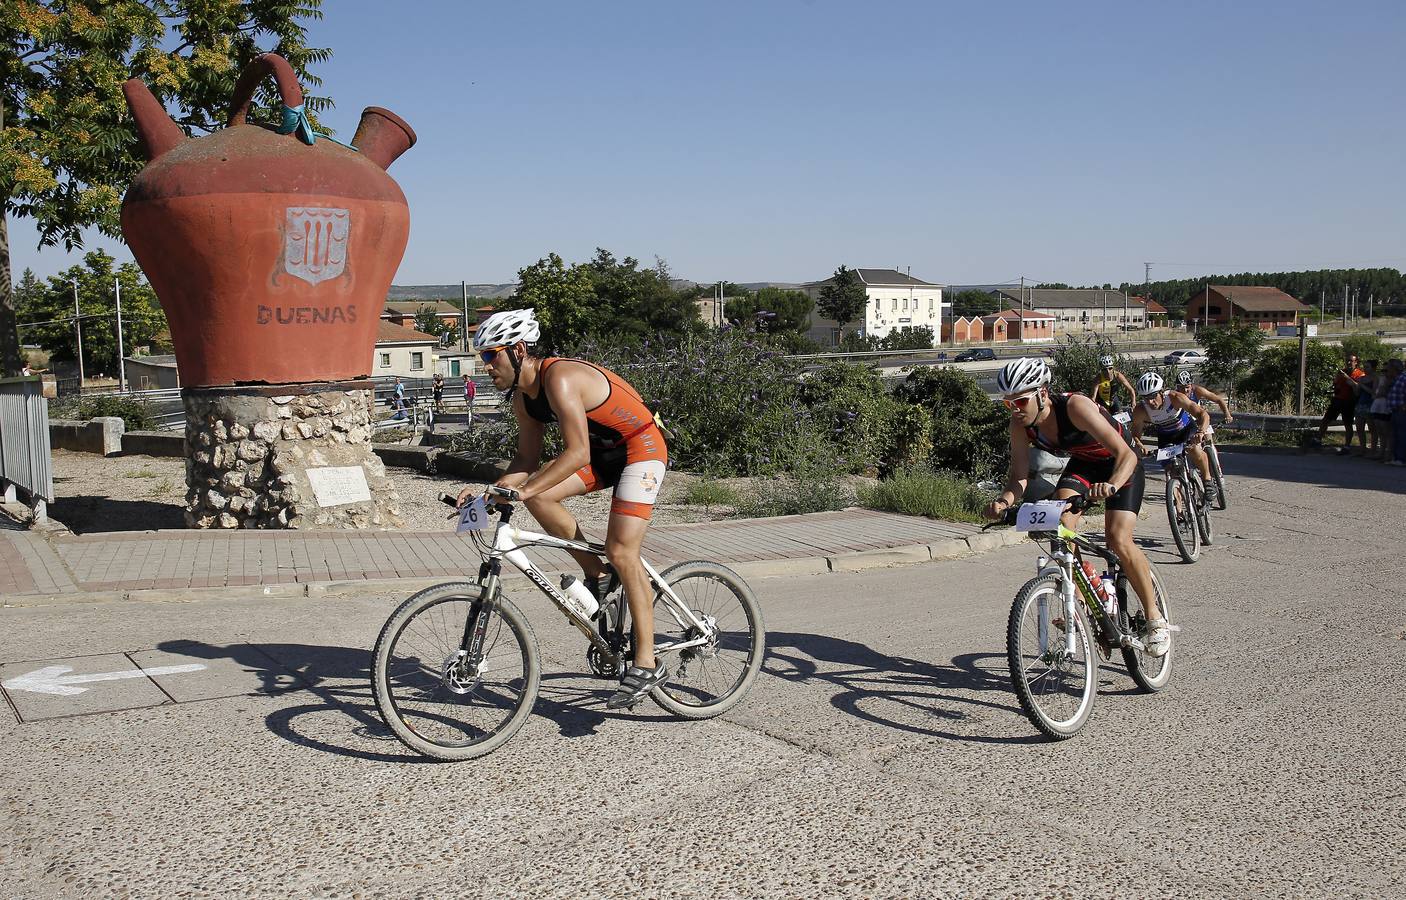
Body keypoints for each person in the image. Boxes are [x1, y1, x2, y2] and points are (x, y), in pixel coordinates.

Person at [457, 309, 671, 708]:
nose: (485, 367)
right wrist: (488, 493)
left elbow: (576, 452)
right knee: (539, 494)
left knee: (623, 550)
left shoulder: (560, 377)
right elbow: (524, 463)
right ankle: (598, 574)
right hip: (608, 455)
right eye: (482, 358)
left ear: (518, 350)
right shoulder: (524, 399)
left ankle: (646, 661)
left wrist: (523, 490)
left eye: (491, 356)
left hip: (641, 447)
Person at [984, 358, 1168, 657]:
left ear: (1042, 394)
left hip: (1121, 464)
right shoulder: (1020, 424)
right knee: (1061, 524)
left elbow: (1126, 454)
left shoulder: (1075, 407)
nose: (1015, 409)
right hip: (1085, 465)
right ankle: (1081, 602)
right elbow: (1018, 476)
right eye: (1008, 403)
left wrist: (1110, 485)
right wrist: (1003, 502)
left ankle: (1154, 618)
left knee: (1117, 539)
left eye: (1020, 401)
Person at [1130, 372, 1216, 502]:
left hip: (1186, 430)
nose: (1150, 402)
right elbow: (1135, 435)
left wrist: (1201, 432)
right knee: (1170, 473)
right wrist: (1140, 445)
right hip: (1166, 438)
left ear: (1161, 392)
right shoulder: (1141, 410)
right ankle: (1179, 512)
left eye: (1153, 396)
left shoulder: (1175, 398)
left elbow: (1203, 414)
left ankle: (1207, 481)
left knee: (1194, 450)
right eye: (1145, 398)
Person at [1317, 353, 1364, 453]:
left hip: (1349, 401)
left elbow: (1358, 388)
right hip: (1338, 399)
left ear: (1356, 362)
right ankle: (1318, 440)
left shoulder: (1359, 374)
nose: (1348, 363)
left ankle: (1347, 446)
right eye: (1347, 360)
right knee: (1326, 420)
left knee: (1348, 424)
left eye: (1351, 361)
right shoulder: (1341, 372)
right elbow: (1335, 384)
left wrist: (1347, 377)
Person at [1376, 359, 1402, 464]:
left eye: (1387, 370)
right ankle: (1391, 456)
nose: (1386, 372)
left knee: (1394, 434)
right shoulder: (1393, 379)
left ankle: (1396, 457)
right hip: (1391, 409)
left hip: (1398, 410)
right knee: (1390, 433)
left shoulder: (1401, 379)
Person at [1350, 360, 1377, 456]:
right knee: (1359, 427)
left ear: (1373, 368)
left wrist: (1361, 385)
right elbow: (1357, 393)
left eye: (1367, 367)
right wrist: (1354, 386)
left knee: (1372, 429)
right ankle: (1362, 449)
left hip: (1370, 404)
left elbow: (1373, 392)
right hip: (1360, 404)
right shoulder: (1361, 378)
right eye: (1364, 366)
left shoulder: (1375, 378)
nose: (1365, 369)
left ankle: (1373, 450)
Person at [1389, 359, 1406, 467]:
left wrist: (1404, 407)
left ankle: (1401, 459)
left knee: (1402, 435)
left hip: (1401, 411)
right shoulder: (1397, 378)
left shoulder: (1404, 378)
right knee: (1395, 435)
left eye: (1389, 367)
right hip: (1394, 410)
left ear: (1394, 368)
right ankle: (1396, 457)